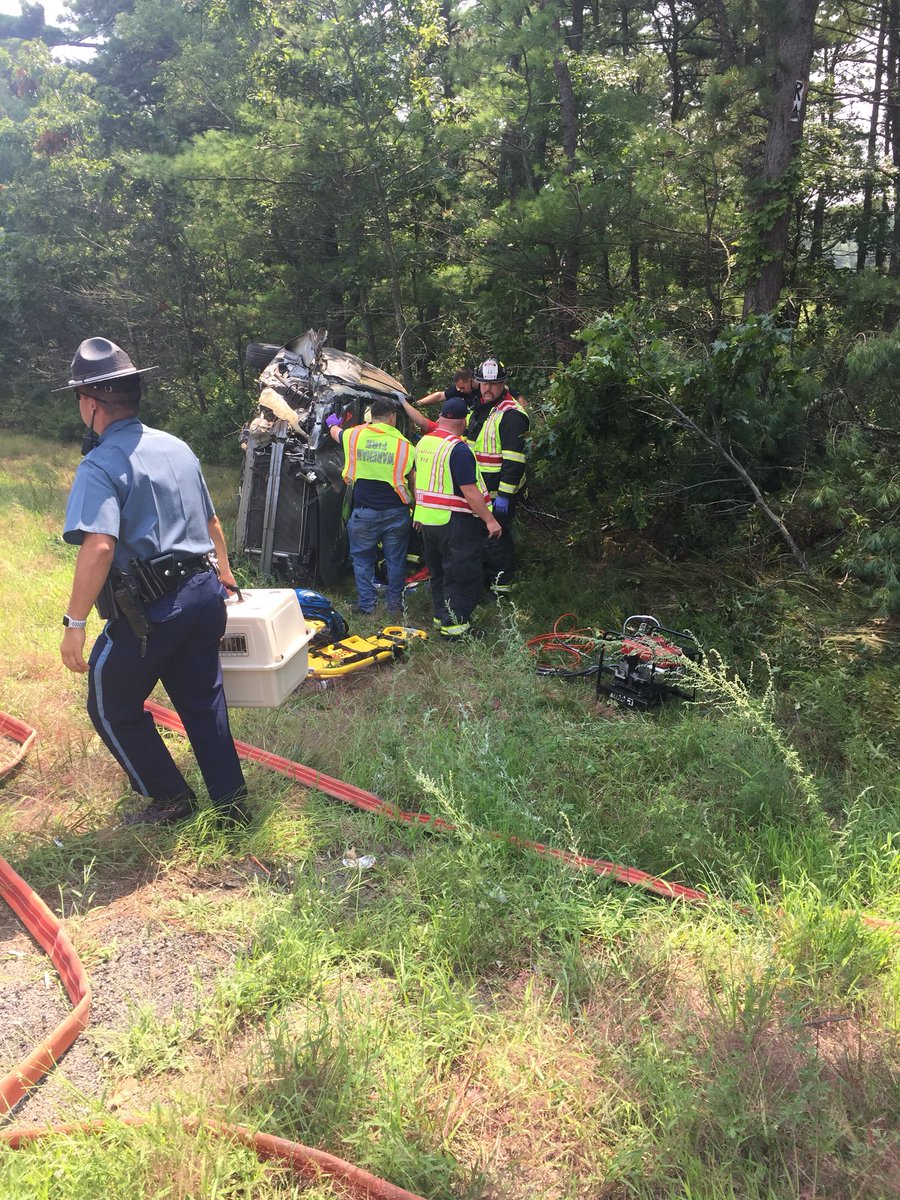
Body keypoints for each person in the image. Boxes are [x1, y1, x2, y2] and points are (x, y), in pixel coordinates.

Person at [58, 337, 249, 828]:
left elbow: (98, 546)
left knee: (111, 701)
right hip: (205, 595)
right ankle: (231, 805)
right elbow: (212, 523)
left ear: (91, 402)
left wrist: (74, 622)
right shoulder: (177, 447)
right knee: (205, 703)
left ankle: (170, 799)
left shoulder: (100, 464)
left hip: (153, 609)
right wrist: (225, 576)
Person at [413, 397, 501, 638]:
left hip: (428, 521)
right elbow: (470, 491)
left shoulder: (424, 443)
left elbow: (417, 479)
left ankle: (441, 617)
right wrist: (489, 520)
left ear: (440, 418)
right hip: (455, 522)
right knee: (461, 574)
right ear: (464, 422)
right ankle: (455, 629)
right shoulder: (458, 449)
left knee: (439, 572)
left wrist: (419, 509)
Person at [326, 396, 415, 617]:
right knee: (395, 560)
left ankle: (367, 605)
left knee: (362, 559)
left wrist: (332, 424)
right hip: (396, 512)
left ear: (372, 417)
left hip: (364, 513)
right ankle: (395, 605)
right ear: (392, 417)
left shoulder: (355, 435)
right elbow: (414, 482)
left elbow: (336, 434)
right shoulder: (405, 446)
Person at [468, 358, 529, 593]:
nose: (487, 388)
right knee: (483, 539)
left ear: (503, 384)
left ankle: (502, 588)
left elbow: (514, 460)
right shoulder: (482, 408)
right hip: (479, 491)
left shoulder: (512, 415)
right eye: (483, 383)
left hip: (499, 494)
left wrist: (504, 494)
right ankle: (486, 582)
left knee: (497, 540)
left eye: (493, 384)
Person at [413, 367, 478, 412]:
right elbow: (440, 396)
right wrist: (418, 403)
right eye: (459, 388)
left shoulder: (484, 388)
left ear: (470, 381)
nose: (461, 391)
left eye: (462, 388)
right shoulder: (459, 389)